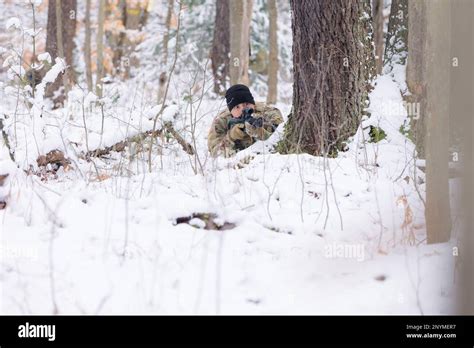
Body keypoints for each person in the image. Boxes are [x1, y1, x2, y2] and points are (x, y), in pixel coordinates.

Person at [207, 84, 283, 158]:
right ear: (230, 111)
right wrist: (232, 136)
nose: (243, 109)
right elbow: (215, 154)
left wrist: (260, 131)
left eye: (246, 104)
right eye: (237, 107)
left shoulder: (266, 111)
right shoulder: (221, 121)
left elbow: (281, 132)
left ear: (253, 103)